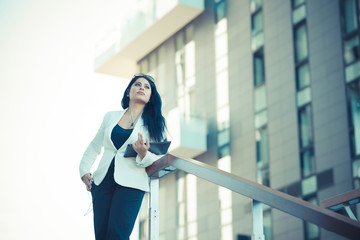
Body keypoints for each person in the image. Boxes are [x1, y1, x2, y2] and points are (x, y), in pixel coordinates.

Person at [79, 73, 167, 240]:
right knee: (102, 236)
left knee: (117, 236)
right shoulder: (110, 116)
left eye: (147, 87)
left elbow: (159, 158)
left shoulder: (154, 123)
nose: (142, 87)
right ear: (128, 92)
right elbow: (94, 145)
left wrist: (143, 154)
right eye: (137, 84)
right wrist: (84, 169)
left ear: (150, 97)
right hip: (102, 182)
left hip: (131, 185)